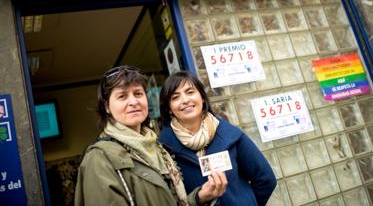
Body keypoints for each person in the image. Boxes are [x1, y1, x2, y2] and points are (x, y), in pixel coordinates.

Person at [75, 66, 227, 206]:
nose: (133, 102)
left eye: (138, 93)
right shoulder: (99, 158)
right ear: (107, 107)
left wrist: (199, 197)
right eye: (122, 96)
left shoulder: (158, 148)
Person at [158, 70, 277, 206]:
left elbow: (265, 179)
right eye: (175, 97)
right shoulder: (163, 151)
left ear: (202, 97)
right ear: (169, 108)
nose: (185, 100)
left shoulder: (230, 135)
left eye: (190, 92)